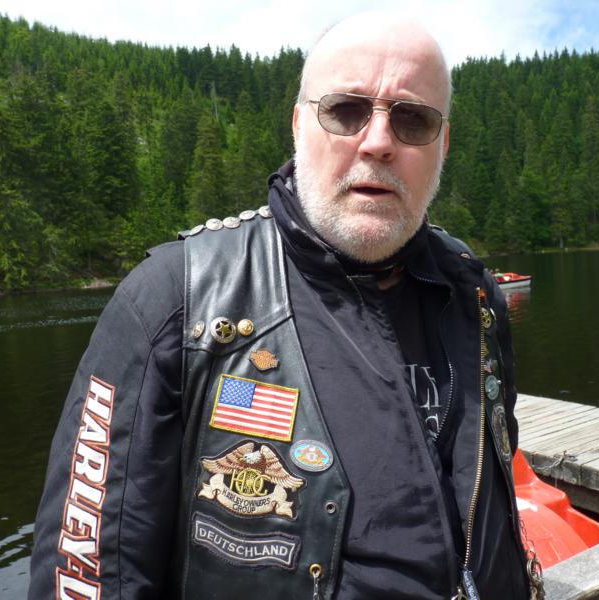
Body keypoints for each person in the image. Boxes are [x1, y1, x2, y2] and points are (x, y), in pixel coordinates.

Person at [29, 12, 532, 600]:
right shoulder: (173, 301)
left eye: (413, 119)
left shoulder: (475, 295)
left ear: (442, 144)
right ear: (298, 126)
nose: (378, 142)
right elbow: (85, 573)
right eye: (345, 110)